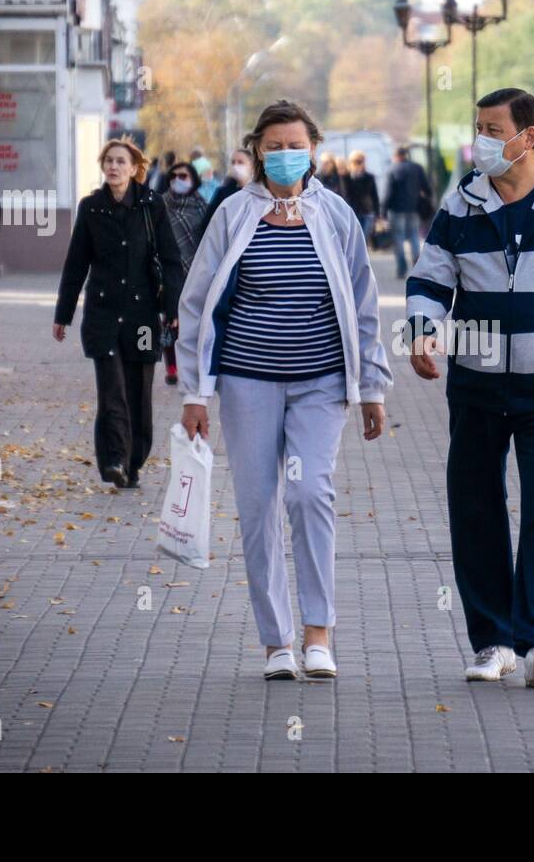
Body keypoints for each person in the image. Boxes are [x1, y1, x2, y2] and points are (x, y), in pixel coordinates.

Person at [407, 87, 534, 689]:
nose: (482, 140)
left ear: (527, 136)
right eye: (478, 127)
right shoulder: (460, 206)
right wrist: (423, 330)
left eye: (493, 129)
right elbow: (428, 280)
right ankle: (492, 642)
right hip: (474, 385)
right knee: (476, 510)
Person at [177, 100, 392, 681]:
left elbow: (364, 305)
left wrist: (371, 386)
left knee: (310, 494)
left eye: (295, 143)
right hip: (248, 383)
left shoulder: (336, 215)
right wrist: (194, 391)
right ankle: (276, 642)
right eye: (274, 145)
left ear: (313, 149)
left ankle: (318, 633)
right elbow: (197, 304)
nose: (285, 154)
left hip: (321, 383)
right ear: (256, 151)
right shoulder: (232, 214)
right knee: (258, 508)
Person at [53, 137, 183, 490]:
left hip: (142, 316)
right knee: (111, 389)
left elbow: (171, 259)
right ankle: (113, 459)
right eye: (108, 161)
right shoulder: (91, 207)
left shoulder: (151, 205)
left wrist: (173, 308)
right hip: (103, 313)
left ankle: (134, 461)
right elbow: (76, 262)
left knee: (138, 390)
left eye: (120, 161)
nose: (113, 167)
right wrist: (63, 313)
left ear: (133, 167)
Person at [161, 161, 208, 385]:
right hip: (168, 272)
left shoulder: (202, 206)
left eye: (183, 176)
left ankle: (194, 365)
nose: (178, 180)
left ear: (193, 179)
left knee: (194, 322)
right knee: (171, 321)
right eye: (174, 176)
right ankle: (172, 367)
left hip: (196, 272)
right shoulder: (160, 205)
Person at [383, 145, 431, 279]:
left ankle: (401, 270)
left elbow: (388, 193)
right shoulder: (417, 168)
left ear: (396, 156)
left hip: (396, 210)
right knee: (414, 237)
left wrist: (383, 211)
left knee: (398, 239)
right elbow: (427, 188)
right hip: (414, 209)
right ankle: (418, 269)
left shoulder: (392, 169)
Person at [196, 148, 252, 246]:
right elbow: (208, 223)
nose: (236, 166)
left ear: (252, 166)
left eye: (240, 162)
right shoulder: (223, 192)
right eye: (233, 162)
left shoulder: (261, 191)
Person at [344, 149, 380, 245]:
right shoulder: (346, 177)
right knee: (353, 240)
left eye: (361, 161)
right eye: (356, 161)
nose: (358, 164)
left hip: (367, 212)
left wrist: (378, 214)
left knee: (363, 239)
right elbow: (346, 194)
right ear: (350, 162)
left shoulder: (369, 177)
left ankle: (362, 259)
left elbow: (374, 195)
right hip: (352, 212)